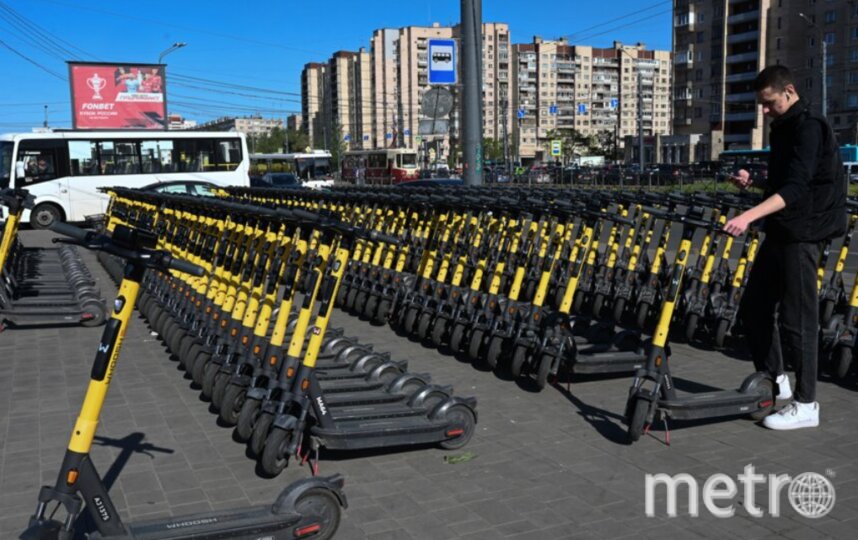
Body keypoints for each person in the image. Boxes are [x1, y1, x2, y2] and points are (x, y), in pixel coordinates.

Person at [724, 65, 847, 430]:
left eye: (769, 103)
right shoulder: (785, 127)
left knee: (798, 319)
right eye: (761, 105)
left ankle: (807, 404)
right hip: (782, 229)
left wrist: (747, 217)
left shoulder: (810, 126)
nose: (764, 111)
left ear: (789, 92)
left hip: (805, 233)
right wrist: (755, 181)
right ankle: (776, 383)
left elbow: (796, 189)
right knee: (754, 308)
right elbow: (783, 181)